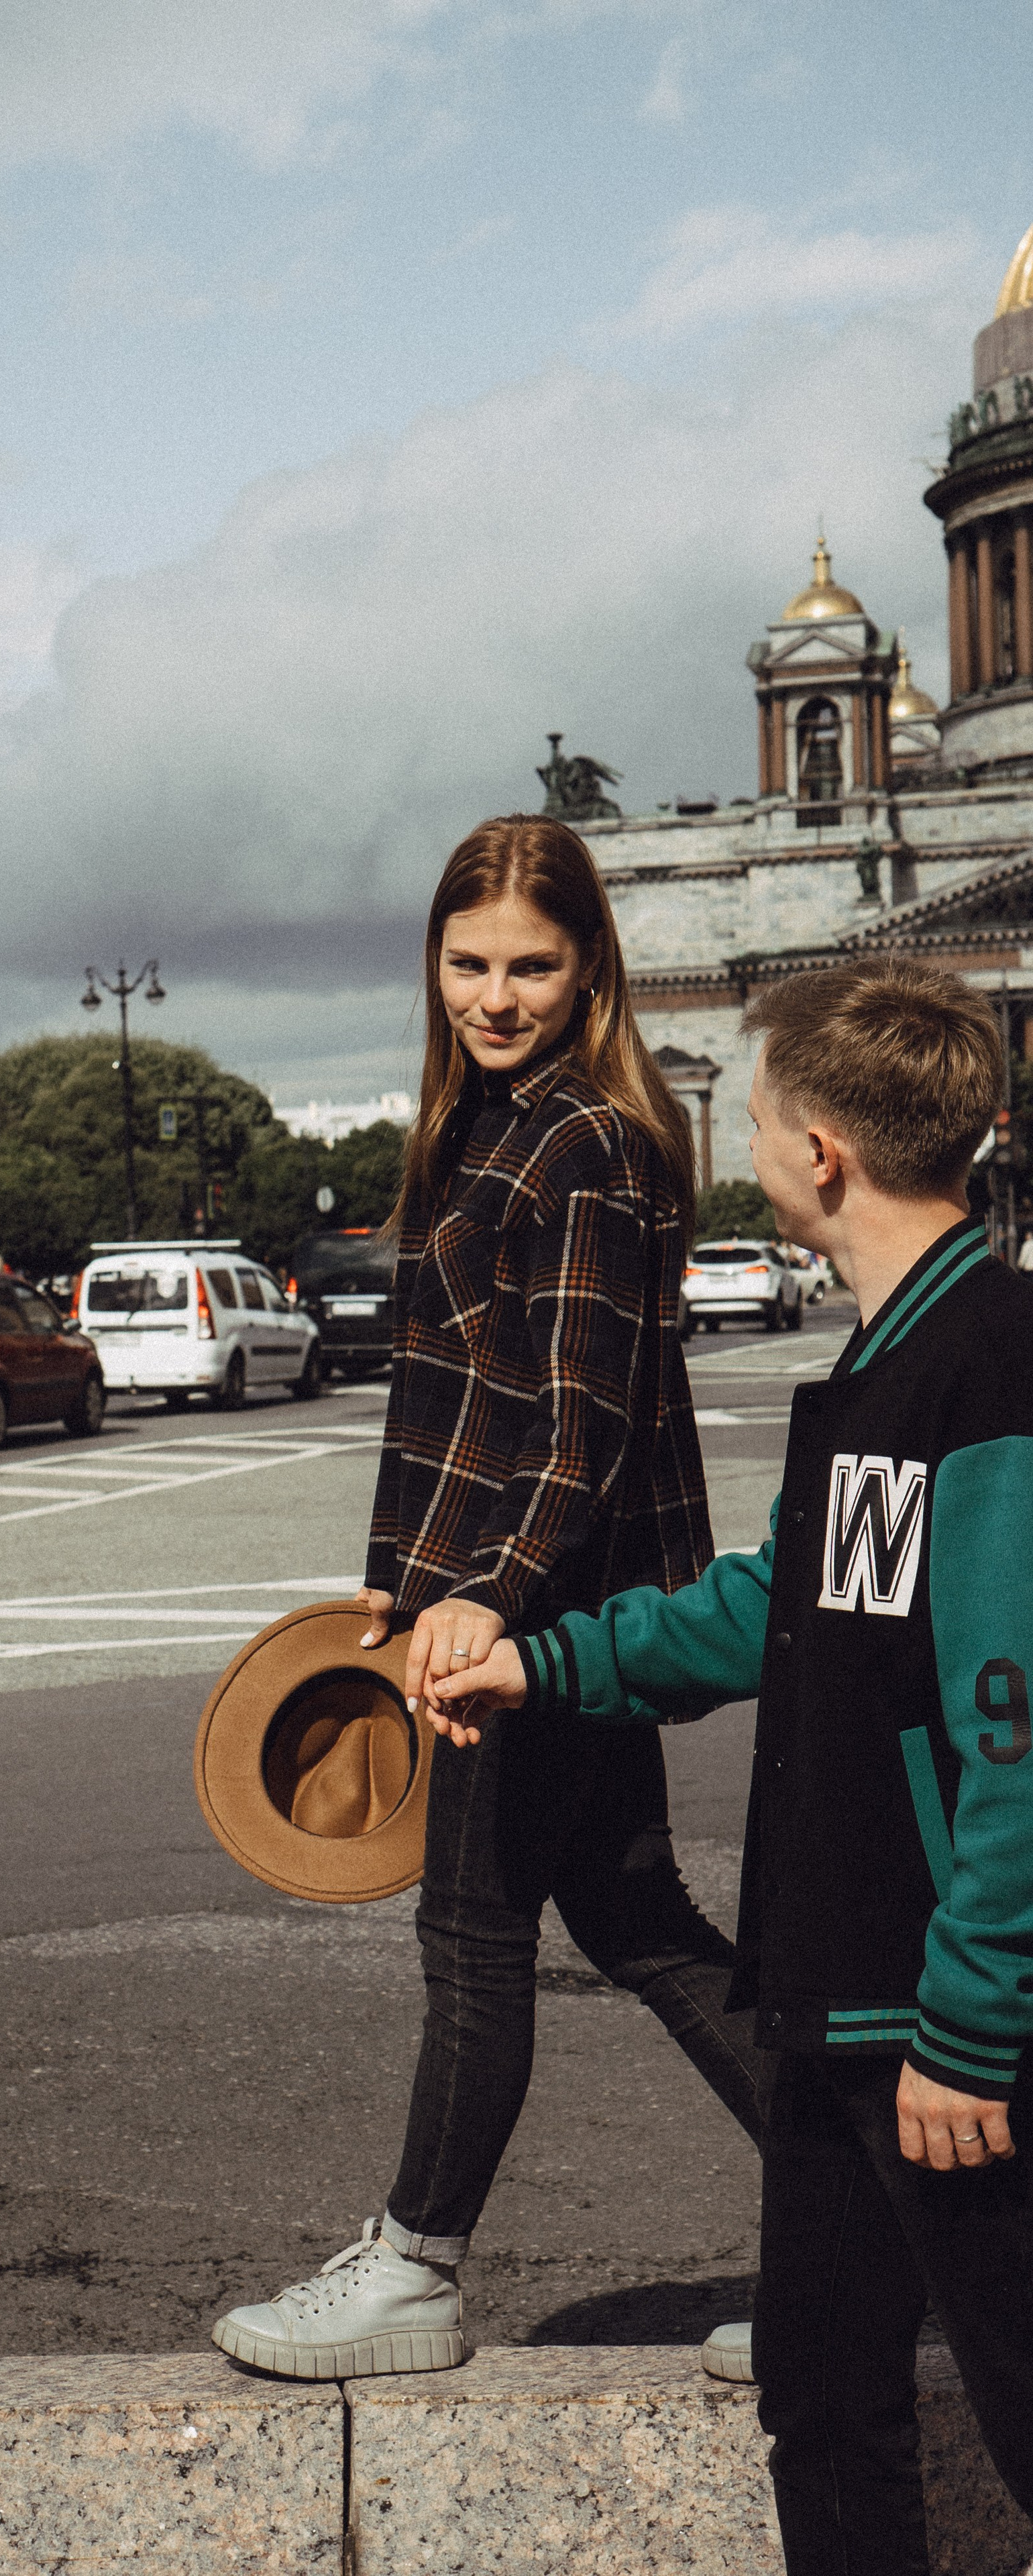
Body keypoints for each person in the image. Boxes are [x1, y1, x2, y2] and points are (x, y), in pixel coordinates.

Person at [434, 959, 1033, 2575]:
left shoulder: (980, 1370)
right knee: (817, 2391)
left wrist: (973, 2027)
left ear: (814, 1154)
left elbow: (1011, 1731)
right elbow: (773, 1609)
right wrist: (545, 1663)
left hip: (933, 2022)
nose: (748, 1143)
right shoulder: (880, 1366)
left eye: (756, 1118)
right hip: (833, 1993)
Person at [213, 814, 760, 2380]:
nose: (494, 993)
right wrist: (398, 1588)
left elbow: (573, 1430)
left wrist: (484, 1608)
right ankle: (887, 2225)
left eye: (530, 962)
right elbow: (462, 1407)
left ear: (589, 966)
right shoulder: (495, 1127)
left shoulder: (575, 1140)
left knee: (471, 1932)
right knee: (637, 1918)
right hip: (512, 1602)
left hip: (530, 1620)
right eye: (467, 962)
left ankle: (412, 2266)